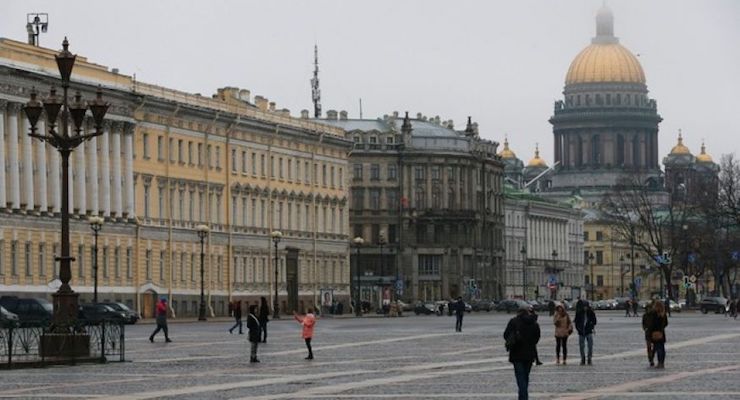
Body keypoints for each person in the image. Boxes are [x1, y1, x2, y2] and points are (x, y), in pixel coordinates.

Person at [504, 304, 541, 400]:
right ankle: (523, 396)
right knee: (525, 376)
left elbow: (505, 335)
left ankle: (523, 397)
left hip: (516, 353)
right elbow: (537, 338)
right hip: (529, 354)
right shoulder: (534, 323)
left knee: (520, 377)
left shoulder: (513, 322)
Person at [646, 300, 669, 369]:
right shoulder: (663, 314)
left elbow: (652, 324)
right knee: (662, 349)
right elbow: (666, 323)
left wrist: (650, 331)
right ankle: (662, 362)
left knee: (658, 349)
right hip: (661, 333)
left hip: (655, 333)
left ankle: (659, 363)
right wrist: (661, 329)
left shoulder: (654, 313)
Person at [574, 301, 596, 365]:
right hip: (581, 332)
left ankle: (589, 358)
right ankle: (582, 358)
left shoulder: (591, 312)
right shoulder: (579, 313)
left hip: (588, 331)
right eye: (584, 307)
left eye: (586, 306)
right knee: (581, 346)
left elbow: (594, 321)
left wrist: (591, 325)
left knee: (590, 345)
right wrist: (578, 329)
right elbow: (576, 322)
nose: (585, 308)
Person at [641, 300, 656, 367]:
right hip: (648, 333)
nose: (649, 309)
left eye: (650, 308)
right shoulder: (645, 315)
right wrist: (645, 328)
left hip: (654, 332)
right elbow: (643, 323)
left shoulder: (654, 315)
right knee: (649, 347)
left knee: (655, 347)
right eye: (648, 308)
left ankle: (652, 356)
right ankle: (650, 359)